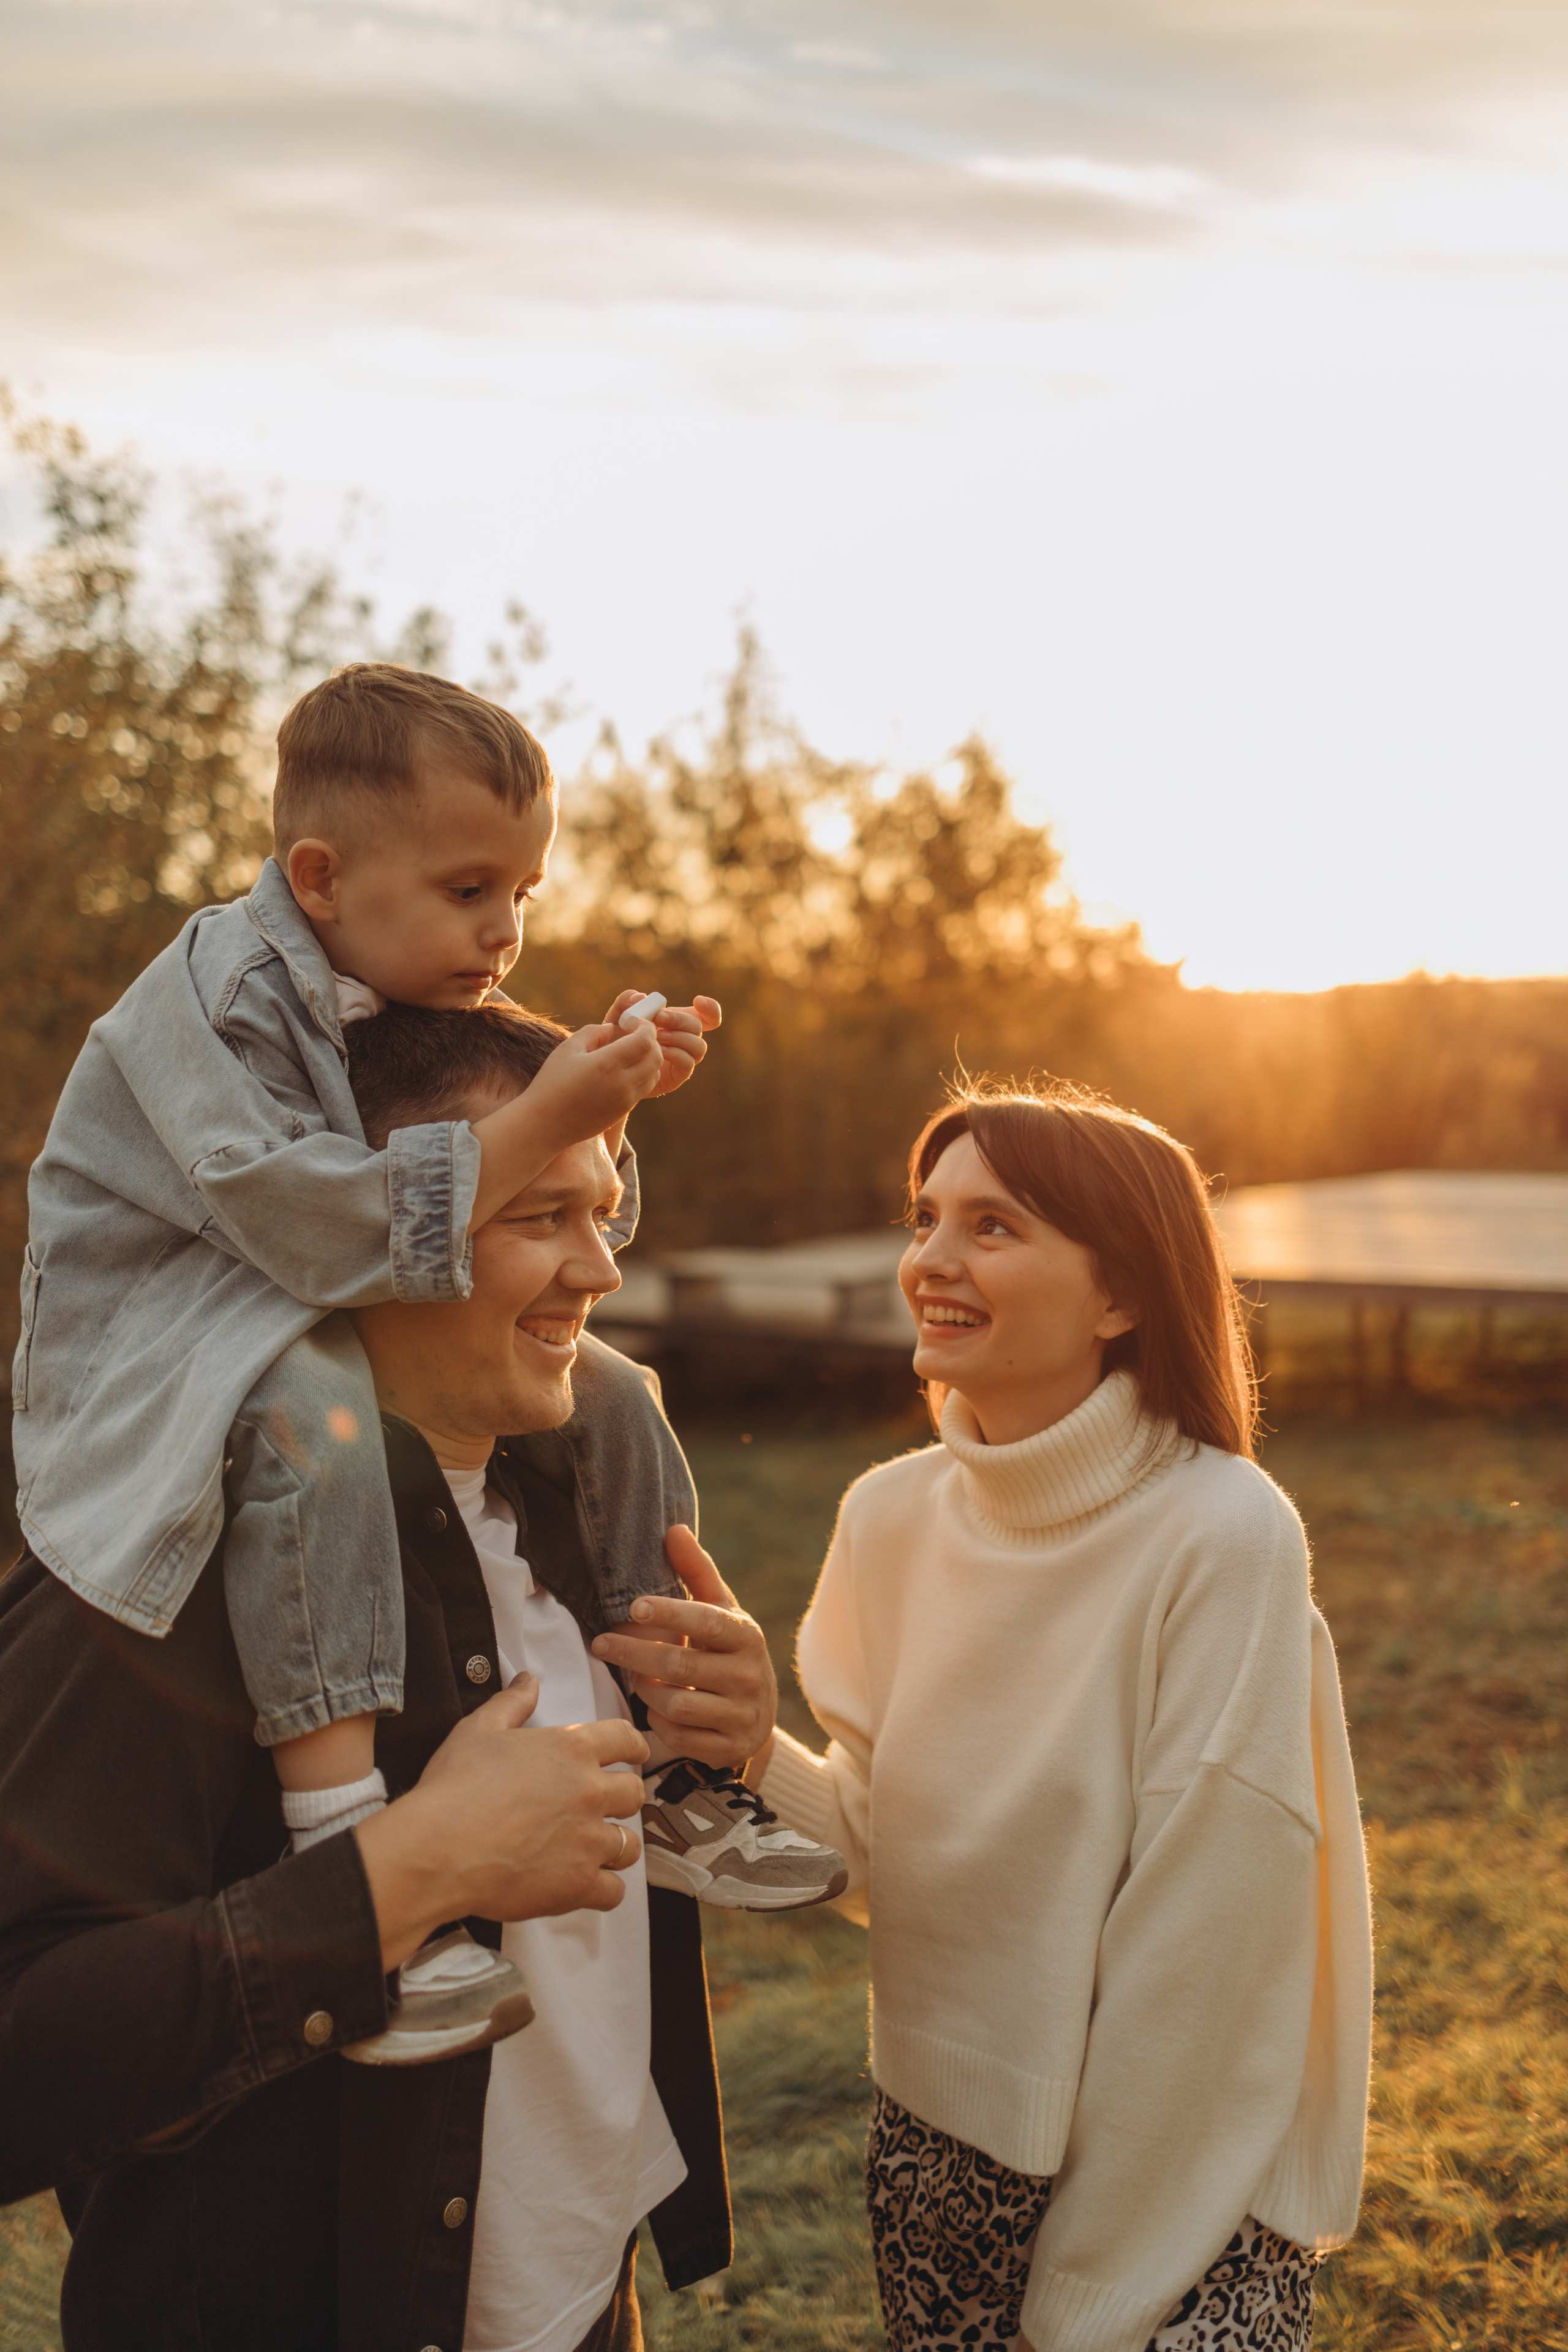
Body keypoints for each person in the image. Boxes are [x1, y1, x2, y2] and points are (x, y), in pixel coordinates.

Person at [11, 663, 842, 2062]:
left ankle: (678, 1759)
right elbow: (323, 1225)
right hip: (165, 1343)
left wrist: (606, 1096)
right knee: (310, 1403)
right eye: (473, 893)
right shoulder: (210, 1009)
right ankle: (347, 1834)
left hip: (296, 1290)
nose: (506, 933)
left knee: (620, 1385)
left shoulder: (400, 999)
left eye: (525, 896)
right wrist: (541, 1120)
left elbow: (507, 1205)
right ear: (320, 876)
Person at [0, 998, 783, 2351]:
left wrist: (741, 1745)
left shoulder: (586, 1512)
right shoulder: (157, 1583)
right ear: (362, 1236)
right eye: (538, 1218)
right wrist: (404, 1877)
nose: (597, 1270)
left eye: (604, 1214)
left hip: (578, 2305)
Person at [745, 1081, 1374, 2352]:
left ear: (1120, 1297)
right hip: (934, 2162)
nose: (930, 1258)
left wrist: (1094, 2302)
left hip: (1166, 2190)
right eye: (924, 1219)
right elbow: (883, 1863)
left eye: (993, 1226)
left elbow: (1199, 1964)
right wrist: (737, 1747)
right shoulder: (886, 1519)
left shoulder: (1219, 1534)